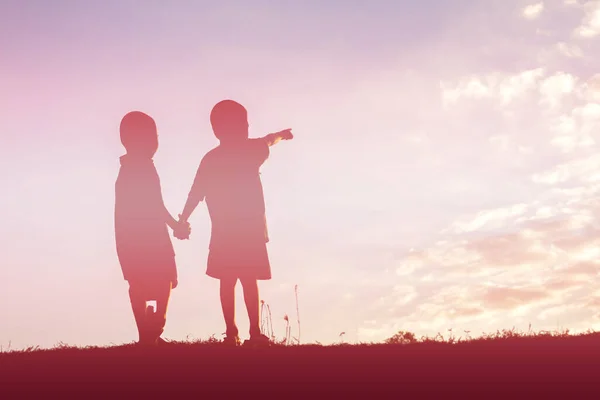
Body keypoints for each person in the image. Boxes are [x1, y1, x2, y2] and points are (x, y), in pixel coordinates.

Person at [177, 100, 293, 346]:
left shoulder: (210, 159)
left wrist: (184, 218)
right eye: (245, 123)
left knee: (227, 281)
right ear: (241, 126)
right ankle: (254, 333)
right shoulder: (251, 150)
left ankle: (232, 333)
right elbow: (268, 139)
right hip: (250, 230)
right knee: (248, 280)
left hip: (224, 232)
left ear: (216, 130)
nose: (248, 126)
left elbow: (195, 192)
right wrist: (281, 136)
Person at [114, 111, 191, 346]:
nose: (157, 142)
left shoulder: (126, 168)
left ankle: (148, 336)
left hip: (128, 237)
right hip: (149, 236)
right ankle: (158, 322)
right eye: (154, 137)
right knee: (164, 278)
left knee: (138, 282)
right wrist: (175, 225)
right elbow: (155, 204)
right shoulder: (144, 167)